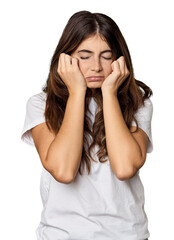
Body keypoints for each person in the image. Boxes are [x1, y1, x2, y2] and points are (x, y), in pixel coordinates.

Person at [21, 10, 153, 240]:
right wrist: (77, 92)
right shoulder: (40, 104)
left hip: (127, 235)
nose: (96, 66)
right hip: (62, 235)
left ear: (118, 59)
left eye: (106, 55)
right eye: (84, 56)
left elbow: (125, 168)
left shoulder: (137, 102)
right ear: (66, 59)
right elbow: (63, 170)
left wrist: (110, 93)